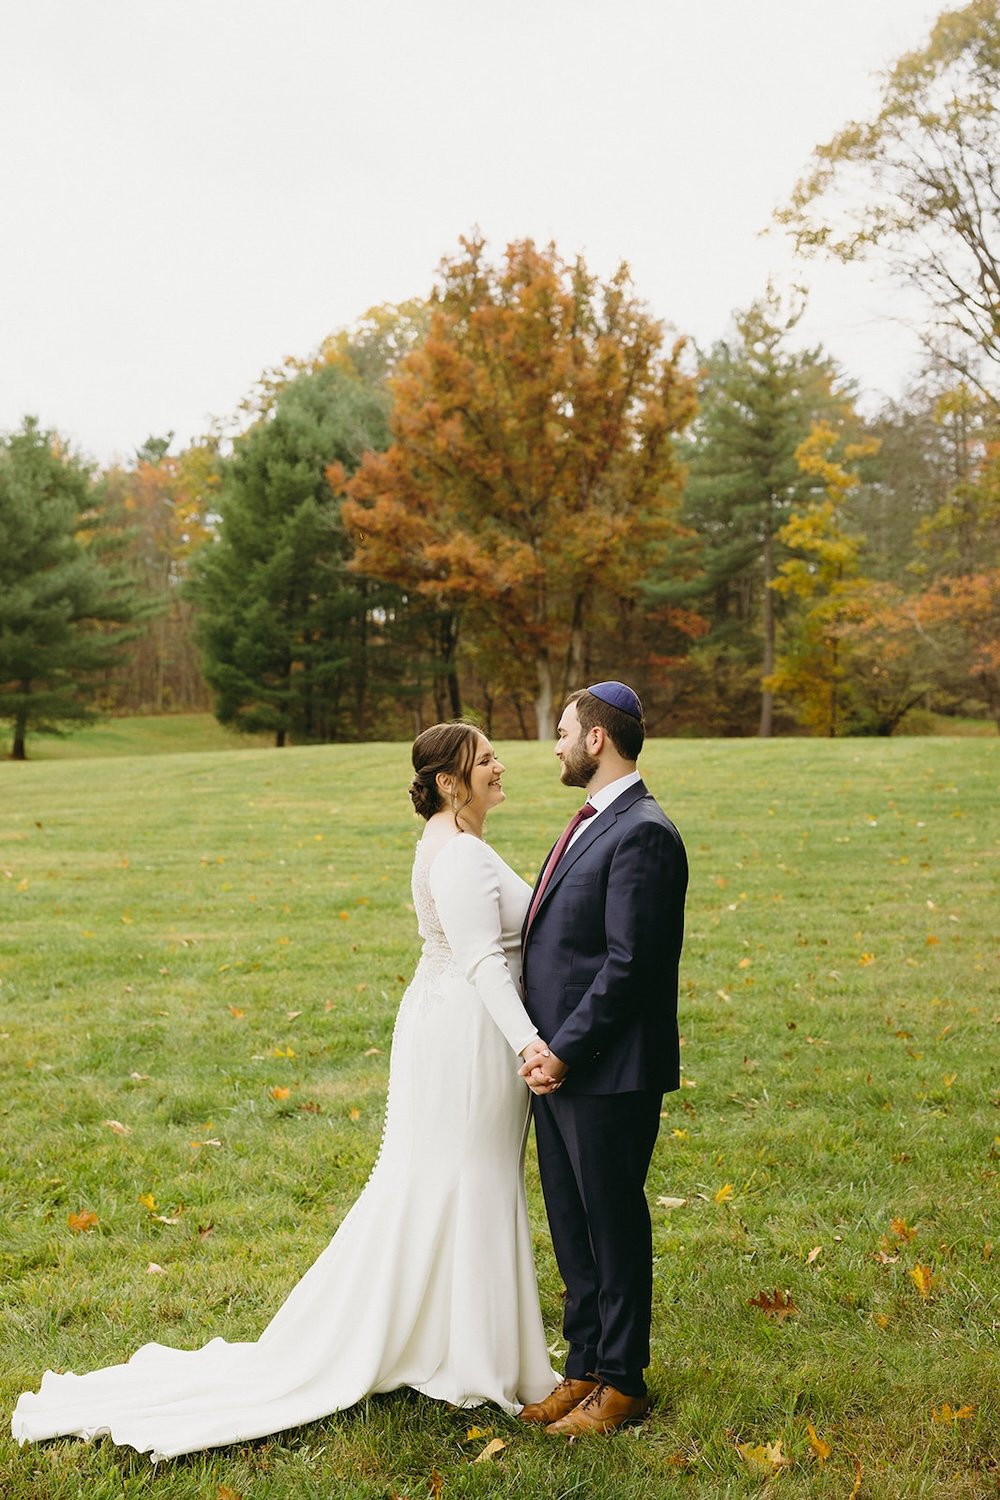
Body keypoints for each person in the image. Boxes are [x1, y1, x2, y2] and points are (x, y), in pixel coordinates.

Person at [12, 723, 558, 1462]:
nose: (500, 765)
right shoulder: (458, 852)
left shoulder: (448, 840)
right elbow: (481, 964)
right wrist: (529, 1041)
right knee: (465, 1178)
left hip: (447, 1025)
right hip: (467, 1035)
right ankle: (466, 1351)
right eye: (485, 758)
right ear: (452, 782)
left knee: (453, 1181)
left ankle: (457, 1336)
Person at [516, 682, 688, 1436]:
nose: (553, 745)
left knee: (611, 1223)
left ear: (596, 740)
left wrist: (565, 1050)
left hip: (607, 1068)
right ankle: (582, 1364)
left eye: (562, 732)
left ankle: (623, 1383)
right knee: (572, 1223)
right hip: (562, 1069)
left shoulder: (645, 830)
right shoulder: (593, 820)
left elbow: (630, 966)